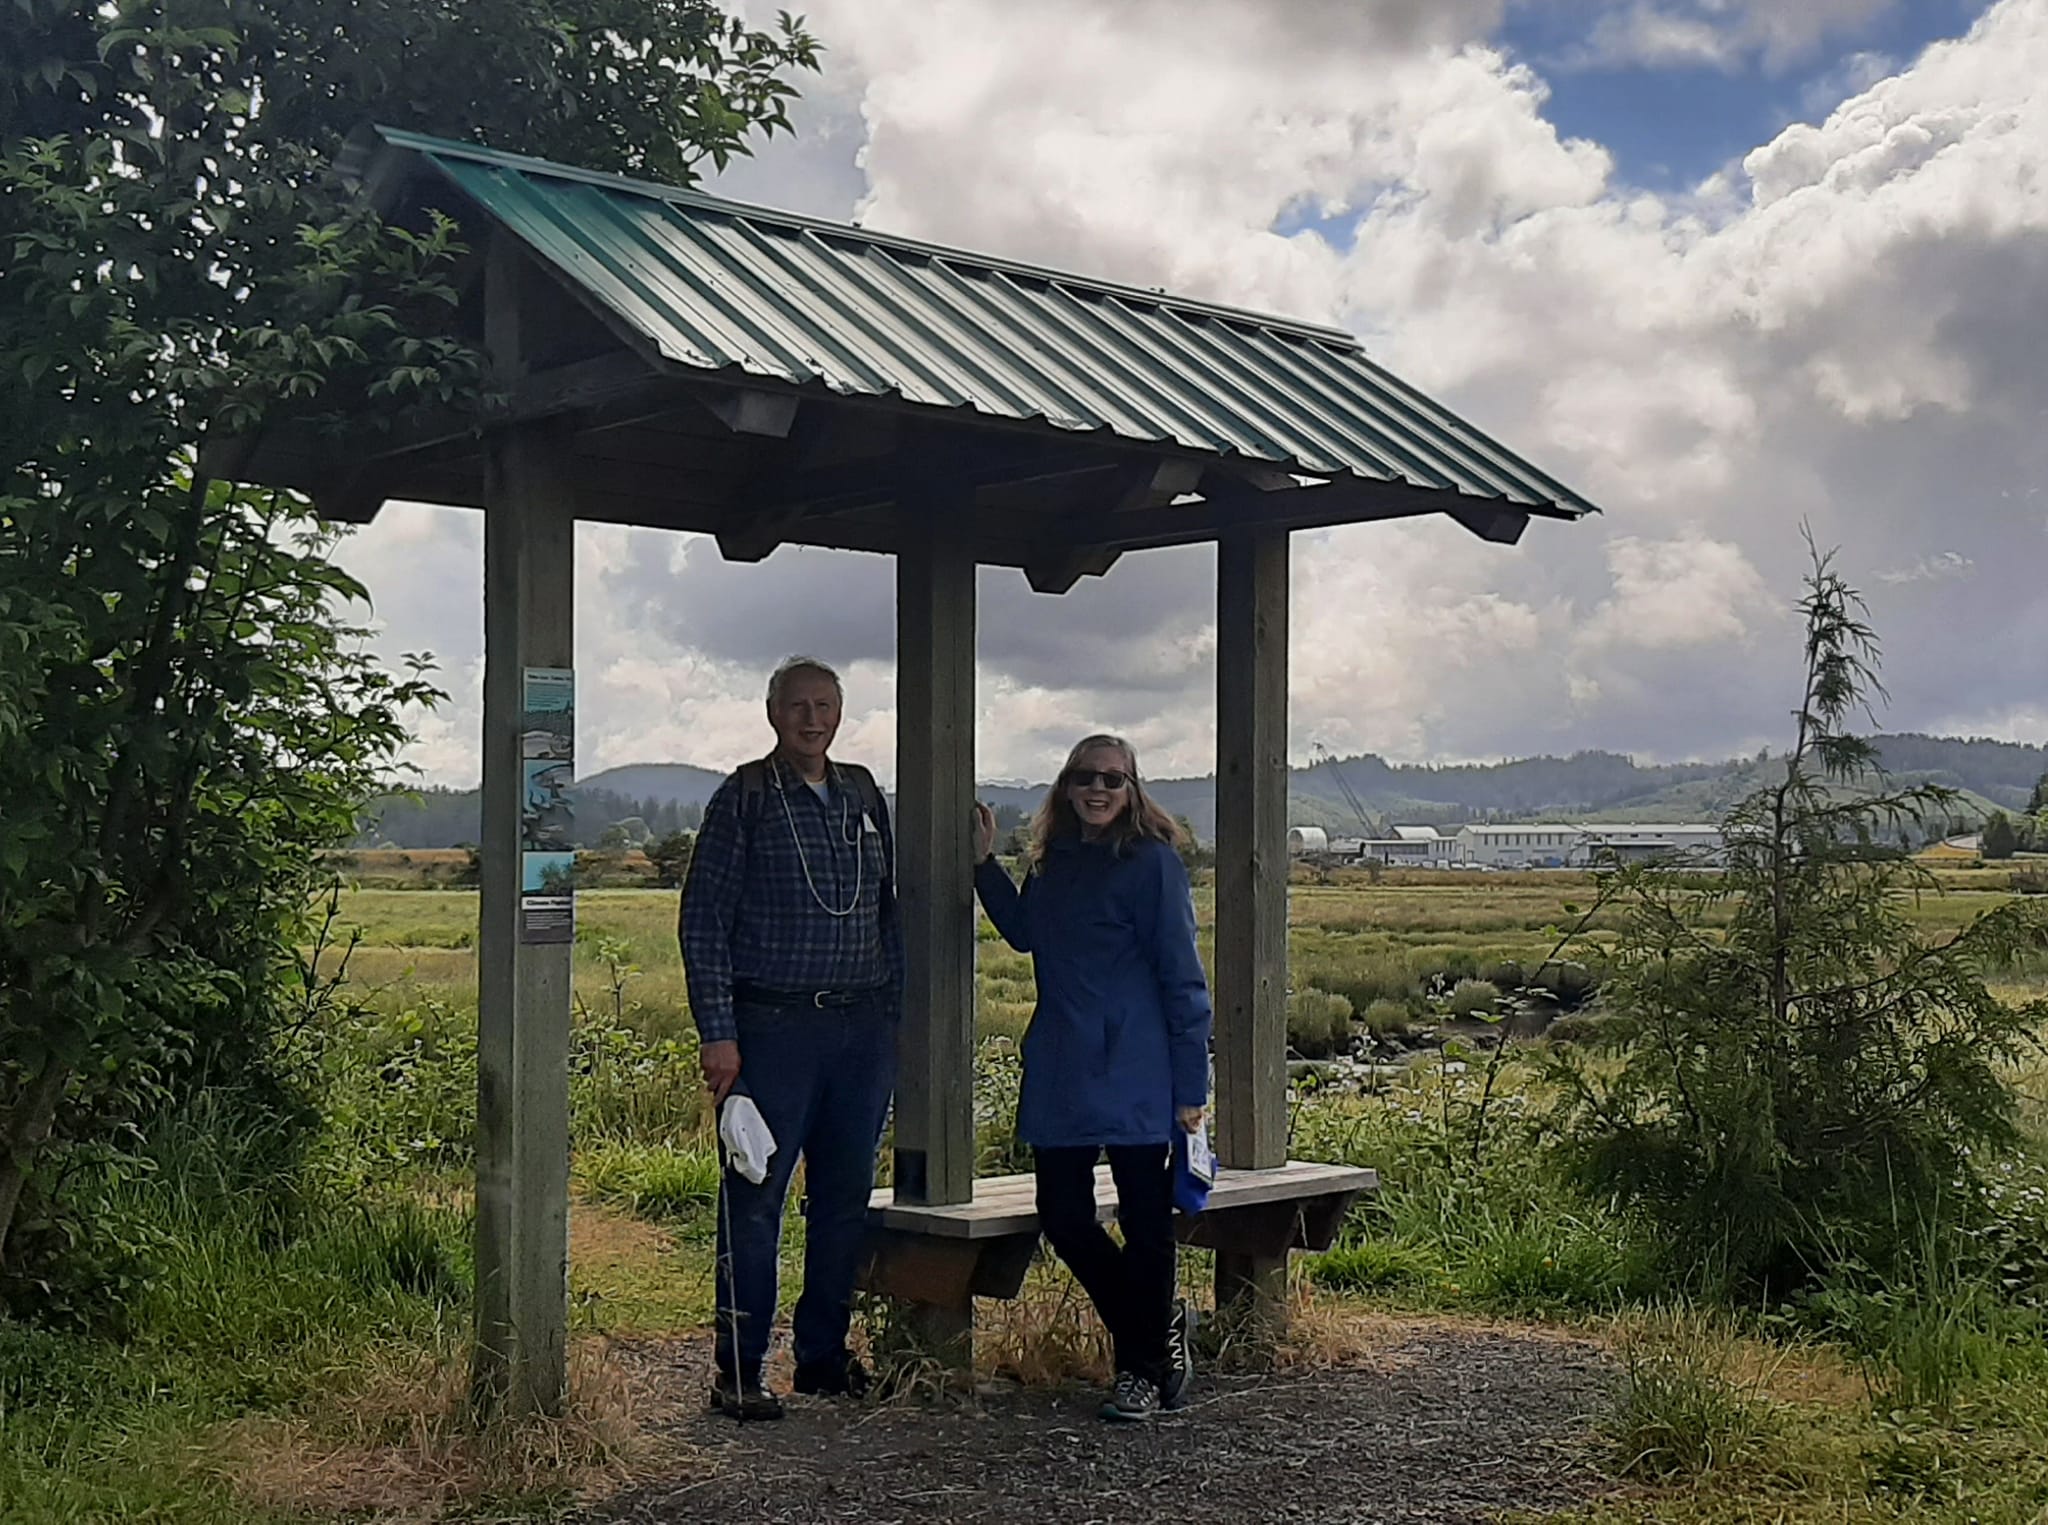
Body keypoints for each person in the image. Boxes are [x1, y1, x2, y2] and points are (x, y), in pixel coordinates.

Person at [680, 656, 900, 1421]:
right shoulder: (743, 796)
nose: (813, 719)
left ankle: (823, 1358)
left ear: (840, 713)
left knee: (843, 1199)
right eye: (799, 705)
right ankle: (740, 1370)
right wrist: (719, 1036)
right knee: (755, 1197)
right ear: (773, 713)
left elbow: (888, 912)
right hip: (771, 1027)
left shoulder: (863, 793)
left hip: (860, 1028)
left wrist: (893, 1019)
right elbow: (702, 921)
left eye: (825, 705)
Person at [971, 734, 1213, 1422]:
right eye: (1085, 777)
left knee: (1145, 1222)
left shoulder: (1153, 863)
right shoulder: (1052, 860)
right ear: (1066, 786)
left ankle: (1139, 1371)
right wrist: (984, 865)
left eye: (1112, 778)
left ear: (1132, 788)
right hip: (1062, 1065)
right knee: (1065, 1218)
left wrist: (1191, 1087)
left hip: (1136, 1068)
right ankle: (1157, 1326)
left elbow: (1182, 976)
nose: (1098, 789)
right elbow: (1025, 931)